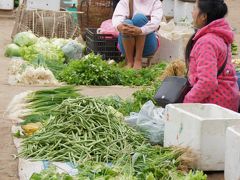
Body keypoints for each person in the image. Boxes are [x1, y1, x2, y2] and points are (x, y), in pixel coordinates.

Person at [183, 0, 239, 112]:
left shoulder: (207, 42)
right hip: (228, 99)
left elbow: (207, 82)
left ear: (203, 16)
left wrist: (186, 103)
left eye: (194, 8)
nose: (192, 12)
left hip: (214, 106)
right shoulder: (220, 35)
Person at [112, 0, 163, 69]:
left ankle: (138, 60)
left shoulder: (155, 2)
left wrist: (141, 30)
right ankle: (130, 62)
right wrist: (119, 26)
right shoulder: (125, 1)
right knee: (126, 23)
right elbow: (117, 17)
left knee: (139, 18)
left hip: (147, 46)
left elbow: (155, 23)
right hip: (126, 46)